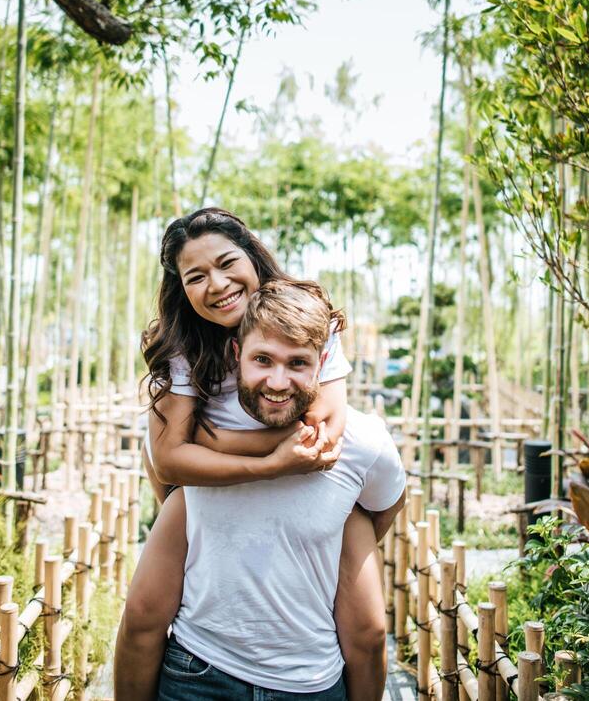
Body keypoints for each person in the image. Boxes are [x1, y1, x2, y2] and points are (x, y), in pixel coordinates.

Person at [114, 209, 389, 701]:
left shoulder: (307, 317)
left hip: (294, 492)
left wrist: (210, 438)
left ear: (253, 257)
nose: (216, 285)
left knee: (367, 625)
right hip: (200, 492)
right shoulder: (183, 342)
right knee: (144, 615)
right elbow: (169, 460)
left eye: (226, 263)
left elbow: (321, 427)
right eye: (196, 276)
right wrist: (272, 461)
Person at [157, 279, 406, 699]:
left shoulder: (361, 442)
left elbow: (388, 503)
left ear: (323, 362)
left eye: (297, 364)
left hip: (310, 681)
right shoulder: (194, 438)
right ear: (237, 356)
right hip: (199, 669)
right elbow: (143, 614)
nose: (277, 381)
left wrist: (339, 537)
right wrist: (271, 466)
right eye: (263, 360)